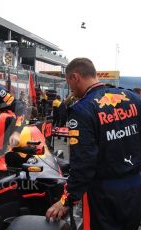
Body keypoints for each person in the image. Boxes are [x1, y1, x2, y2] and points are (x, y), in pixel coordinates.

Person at [46, 58, 141, 229]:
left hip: (104, 194)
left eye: (69, 83)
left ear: (75, 77)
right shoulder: (134, 98)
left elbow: (84, 162)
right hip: (135, 186)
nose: (71, 90)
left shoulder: (82, 110)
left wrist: (67, 200)